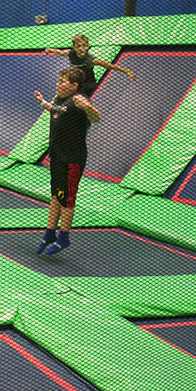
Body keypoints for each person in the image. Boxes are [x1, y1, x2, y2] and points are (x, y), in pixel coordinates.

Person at [33, 67, 101, 256]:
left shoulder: (79, 101)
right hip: (57, 156)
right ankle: (49, 234)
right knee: (56, 194)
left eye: (63, 82)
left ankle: (64, 237)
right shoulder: (59, 100)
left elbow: (96, 117)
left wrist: (88, 107)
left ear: (74, 86)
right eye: (59, 80)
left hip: (72, 159)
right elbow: (54, 109)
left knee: (67, 199)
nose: (58, 84)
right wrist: (42, 102)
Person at [44, 34, 134, 98]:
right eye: (78, 46)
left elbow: (110, 66)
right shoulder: (70, 53)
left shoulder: (91, 60)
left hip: (88, 84)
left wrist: (127, 71)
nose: (81, 48)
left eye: (84, 46)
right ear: (74, 48)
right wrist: (50, 50)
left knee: (75, 98)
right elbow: (60, 52)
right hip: (76, 81)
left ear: (87, 47)